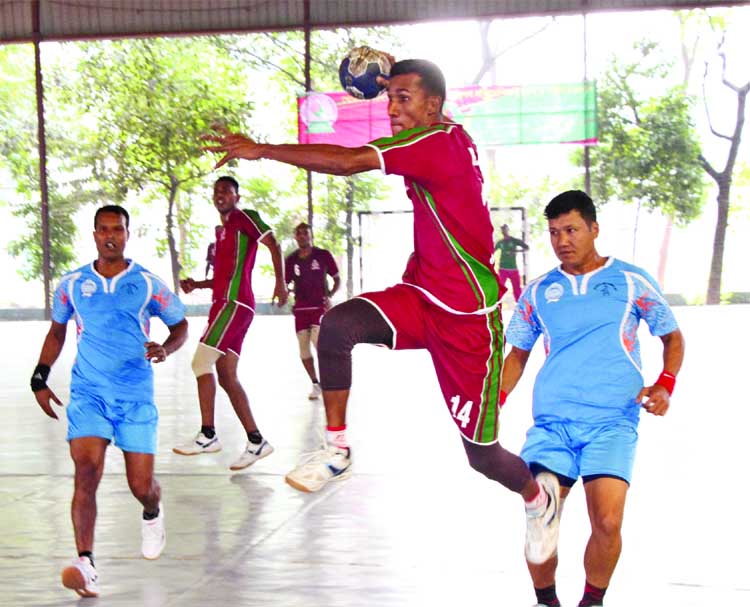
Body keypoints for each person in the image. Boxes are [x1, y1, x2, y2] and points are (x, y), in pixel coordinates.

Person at [203, 58, 560, 562]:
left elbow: (349, 161)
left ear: (433, 106)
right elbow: (420, 88)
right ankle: (337, 449)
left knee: (481, 456)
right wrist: (397, 71)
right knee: (338, 326)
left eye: (402, 98)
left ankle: (536, 497)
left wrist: (261, 150)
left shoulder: (436, 143)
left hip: (466, 316)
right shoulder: (442, 132)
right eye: (388, 96)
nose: (390, 108)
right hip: (422, 294)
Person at [501, 190, 685, 607]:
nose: (562, 240)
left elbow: (671, 336)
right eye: (553, 232)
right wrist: (494, 402)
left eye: (571, 230)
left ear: (594, 229)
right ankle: (546, 601)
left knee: (607, 521)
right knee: (541, 521)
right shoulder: (537, 292)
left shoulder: (629, 281)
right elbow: (517, 356)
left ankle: (592, 601)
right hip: (553, 425)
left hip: (613, 423)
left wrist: (665, 383)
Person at [31, 205, 188, 598]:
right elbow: (57, 333)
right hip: (89, 394)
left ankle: (153, 510)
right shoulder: (71, 284)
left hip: (135, 396)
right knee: (86, 471)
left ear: (127, 234)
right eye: (103, 230)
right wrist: (40, 375)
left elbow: (181, 325)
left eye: (117, 229)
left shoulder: (148, 284)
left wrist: (166, 349)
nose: (110, 235)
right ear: (95, 234)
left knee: (141, 486)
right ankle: (86, 565)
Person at [173, 176, 288, 471]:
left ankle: (208, 435)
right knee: (225, 373)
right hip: (223, 304)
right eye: (217, 191)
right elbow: (224, 276)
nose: (220, 194)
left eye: (227, 190)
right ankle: (256, 440)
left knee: (200, 364)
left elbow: (273, 244)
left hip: (234, 305)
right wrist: (198, 283)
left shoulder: (244, 217)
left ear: (237, 196)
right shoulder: (221, 233)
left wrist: (281, 282)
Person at [284, 221, 341, 399]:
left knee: (319, 344)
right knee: (304, 350)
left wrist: (329, 295)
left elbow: (337, 278)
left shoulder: (322, 255)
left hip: (319, 307)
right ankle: (316, 384)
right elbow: (285, 284)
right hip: (301, 309)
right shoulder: (291, 260)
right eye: (299, 233)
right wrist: (285, 294)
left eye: (305, 233)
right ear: (295, 236)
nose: (302, 236)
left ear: (310, 235)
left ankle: (332, 379)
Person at [494, 223, 529, 301]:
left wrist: (515, 251)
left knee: (517, 288)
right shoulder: (500, 242)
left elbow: (526, 248)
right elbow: (493, 251)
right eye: (502, 230)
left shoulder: (514, 240)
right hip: (503, 268)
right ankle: (497, 304)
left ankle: (520, 305)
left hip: (513, 268)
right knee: (500, 287)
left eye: (505, 229)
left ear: (508, 230)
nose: (504, 231)